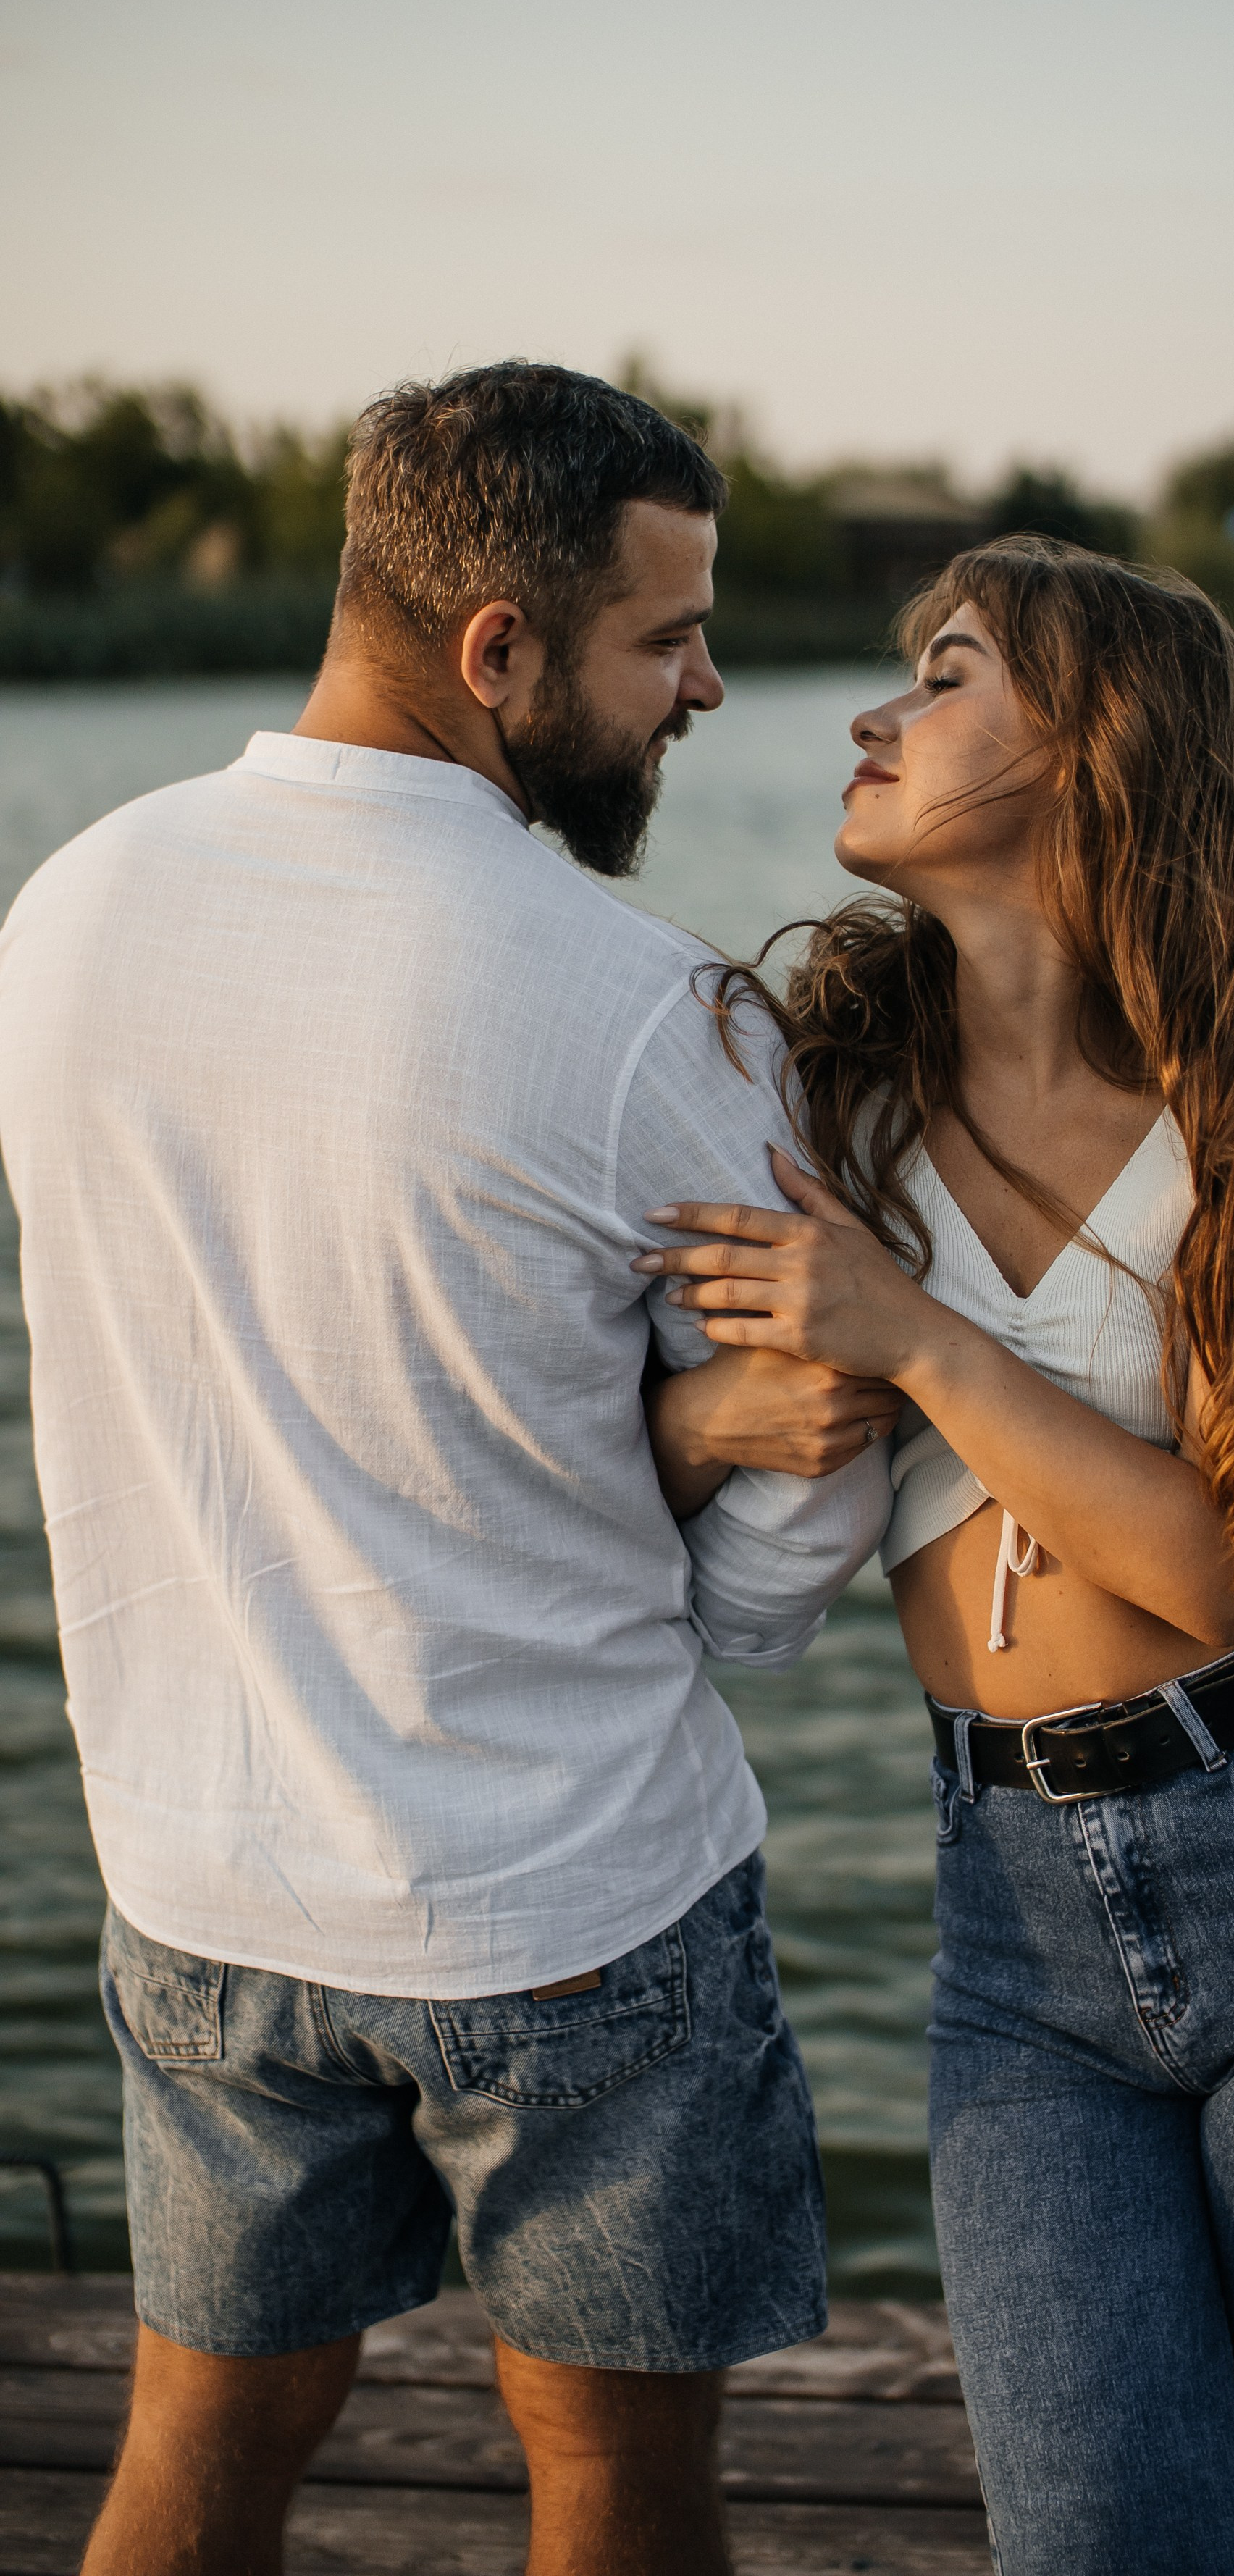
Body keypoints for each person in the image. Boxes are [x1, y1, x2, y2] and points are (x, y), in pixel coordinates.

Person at [0, 364, 899, 2576]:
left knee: (196, 2471)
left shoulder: (69, 914)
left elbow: (245, 1358)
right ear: (495, 650)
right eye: (662, 639)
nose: (707, 685)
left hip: (204, 1891)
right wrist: (683, 1554)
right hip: (576, 1909)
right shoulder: (645, 1006)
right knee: (613, 2507)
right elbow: (819, 1449)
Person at [637, 539, 1234, 2576]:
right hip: (1019, 1937)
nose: (872, 716)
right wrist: (714, 1420)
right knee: (1104, 2532)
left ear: (1096, 749)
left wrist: (918, 1339)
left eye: (940, 676)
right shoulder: (813, 1102)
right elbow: (630, 1443)